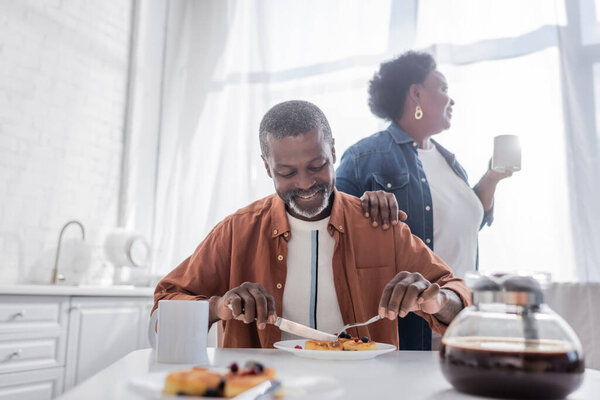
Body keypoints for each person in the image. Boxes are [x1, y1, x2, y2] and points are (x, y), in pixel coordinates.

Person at [152, 100, 470, 349]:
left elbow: (460, 305)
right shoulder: (237, 231)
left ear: (332, 151)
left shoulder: (379, 225)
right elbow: (161, 314)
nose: (305, 184)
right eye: (287, 173)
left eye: (317, 166)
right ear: (267, 167)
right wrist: (219, 307)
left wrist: (436, 300)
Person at [336, 51, 514, 350]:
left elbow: (464, 225)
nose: (451, 100)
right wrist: (362, 204)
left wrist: (491, 178)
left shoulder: (450, 161)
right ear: (416, 93)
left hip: (461, 322)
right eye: (443, 88)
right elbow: (332, 227)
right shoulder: (363, 157)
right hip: (411, 332)